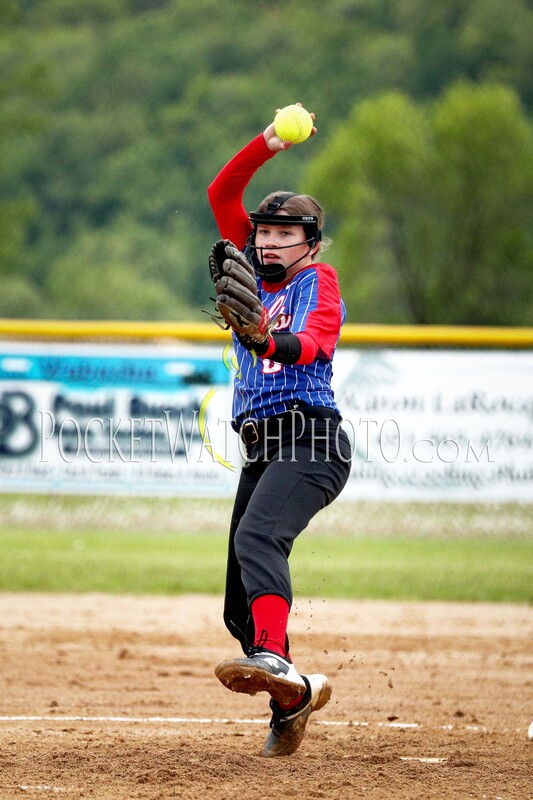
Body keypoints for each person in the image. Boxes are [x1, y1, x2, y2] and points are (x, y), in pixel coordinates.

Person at [207, 106, 352, 758]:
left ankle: (272, 656)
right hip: (263, 447)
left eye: (284, 234)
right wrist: (270, 140)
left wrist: (265, 338)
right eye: (262, 231)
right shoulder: (248, 260)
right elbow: (221, 192)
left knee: (259, 537)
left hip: (312, 439)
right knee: (238, 609)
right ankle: (292, 698)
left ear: (311, 244)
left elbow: (311, 344)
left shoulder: (318, 281)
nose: (267, 243)